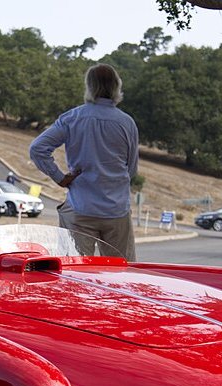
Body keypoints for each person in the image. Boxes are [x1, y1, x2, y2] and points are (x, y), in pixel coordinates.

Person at [29, 63, 139, 261]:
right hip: (116, 210)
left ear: (89, 86)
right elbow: (131, 169)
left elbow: (38, 149)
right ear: (116, 86)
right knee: (122, 273)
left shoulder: (73, 118)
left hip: (81, 207)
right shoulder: (127, 123)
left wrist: (60, 177)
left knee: (74, 272)